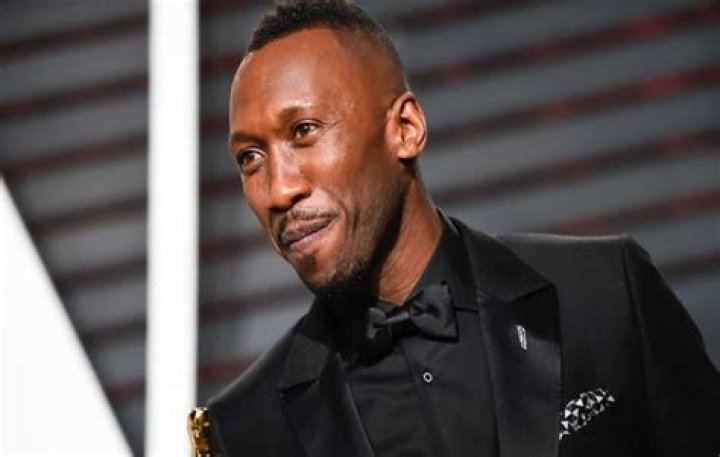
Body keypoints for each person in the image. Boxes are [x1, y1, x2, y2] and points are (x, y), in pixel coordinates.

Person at [189, 1, 720, 456]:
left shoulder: (602, 293)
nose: (278, 190)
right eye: (250, 158)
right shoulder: (246, 429)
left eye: (304, 131)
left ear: (405, 129)